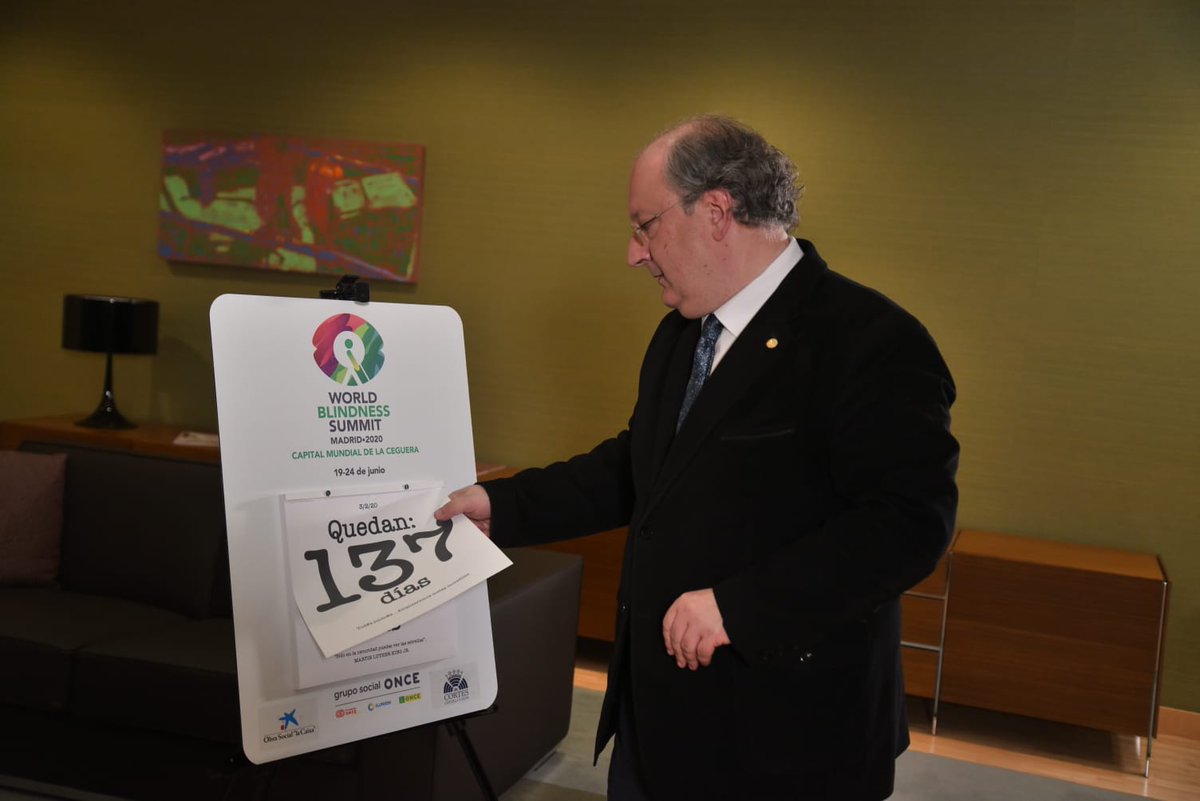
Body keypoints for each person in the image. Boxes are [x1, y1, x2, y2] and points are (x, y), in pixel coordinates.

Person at [435, 115, 959, 800]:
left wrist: (741, 606)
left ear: (715, 211)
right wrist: (502, 505)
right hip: (658, 720)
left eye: (644, 226)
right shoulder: (683, 333)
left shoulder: (872, 340)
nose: (634, 253)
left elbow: (906, 524)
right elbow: (641, 468)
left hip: (788, 741)